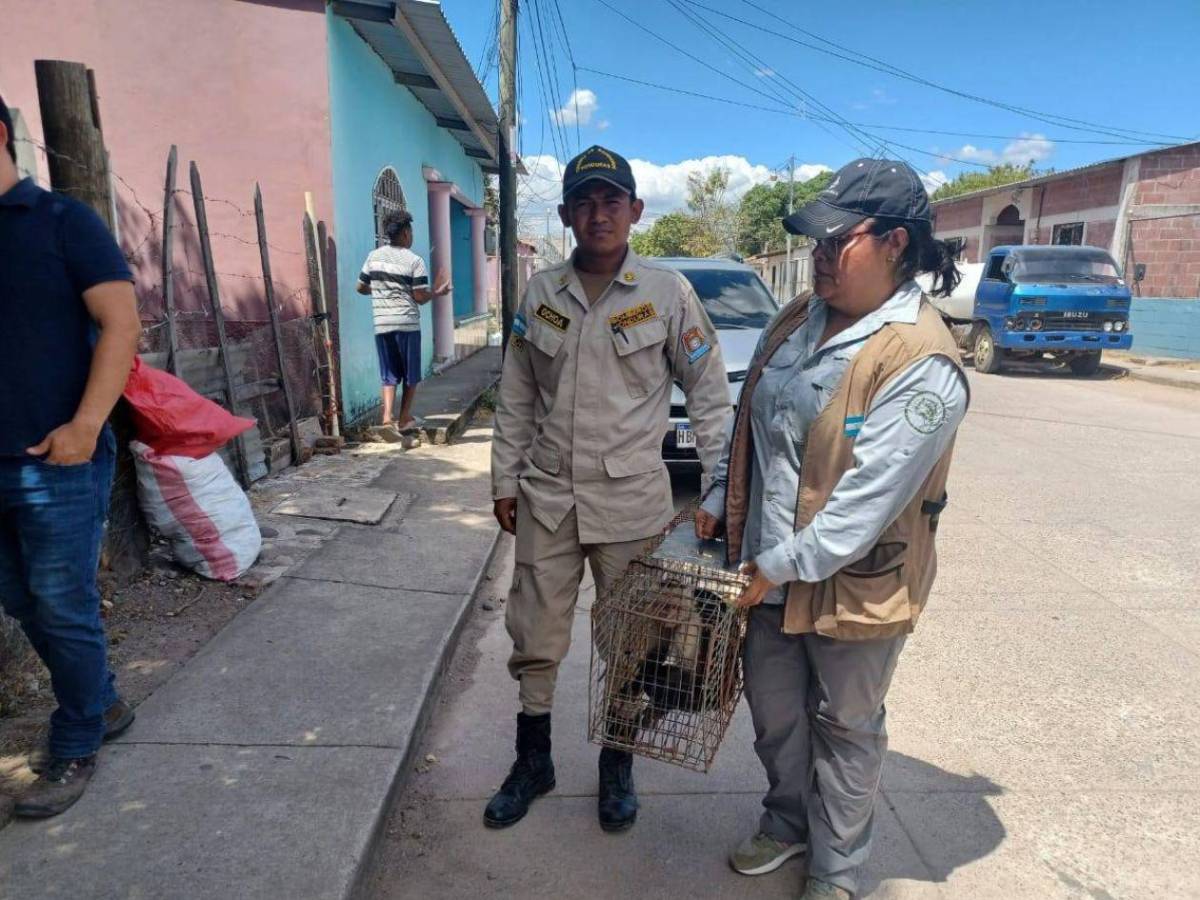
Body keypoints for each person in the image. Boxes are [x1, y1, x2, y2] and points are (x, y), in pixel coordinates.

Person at [695, 158, 970, 899]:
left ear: (896, 245)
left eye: (836, 240)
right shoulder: (795, 319)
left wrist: (773, 569)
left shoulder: (922, 359)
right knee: (776, 716)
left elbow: (863, 507)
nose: (818, 254)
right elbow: (747, 419)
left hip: (855, 582)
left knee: (846, 728)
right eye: (814, 240)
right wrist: (720, 496)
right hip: (767, 572)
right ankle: (787, 825)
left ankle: (838, 868)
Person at [487, 145, 732, 833]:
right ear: (566, 213)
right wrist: (504, 479)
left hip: (632, 504)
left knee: (634, 639)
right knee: (534, 633)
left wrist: (719, 494)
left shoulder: (666, 294)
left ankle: (616, 764)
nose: (599, 214)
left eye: (612, 201)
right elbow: (517, 398)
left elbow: (710, 398)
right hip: (547, 499)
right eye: (585, 202)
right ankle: (533, 760)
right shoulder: (541, 294)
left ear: (636, 211)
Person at [0, 95, 141, 818]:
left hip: (54, 457)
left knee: (62, 603)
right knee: (21, 600)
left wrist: (87, 425)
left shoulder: (61, 222)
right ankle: (105, 701)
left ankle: (79, 735)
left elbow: (121, 323)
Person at [356, 210, 450, 431]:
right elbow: (419, 296)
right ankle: (404, 418)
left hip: (382, 324)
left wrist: (381, 290)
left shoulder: (373, 257)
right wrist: (437, 292)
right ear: (406, 233)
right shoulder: (414, 261)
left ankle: (387, 417)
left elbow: (360, 287)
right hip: (406, 324)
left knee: (388, 373)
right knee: (410, 373)